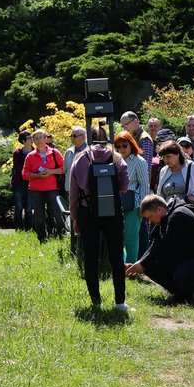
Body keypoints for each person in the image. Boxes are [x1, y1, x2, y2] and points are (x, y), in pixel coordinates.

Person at [69, 126, 131, 312]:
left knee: (90, 256)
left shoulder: (80, 159)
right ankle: (120, 302)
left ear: (89, 137)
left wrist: (74, 217)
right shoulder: (117, 157)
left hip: (87, 213)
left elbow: (73, 193)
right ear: (107, 138)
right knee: (116, 256)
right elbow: (125, 186)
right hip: (112, 212)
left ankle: (96, 302)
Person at [125, 195, 194, 304]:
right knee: (149, 266)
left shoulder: (178, 215)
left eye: (150, 216)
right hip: (186, 260)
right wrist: (139, 264)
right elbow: (155, 245)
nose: (149, 221)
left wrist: (142, 264)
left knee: (182, 275)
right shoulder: (165, 217)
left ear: (159, 209)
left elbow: (165, 245)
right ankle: (183, 294)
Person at [22, 129, 65, 242]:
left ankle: (61, 236)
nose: (39, 140)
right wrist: (37, 175)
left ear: (46, 139)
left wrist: (51, 172)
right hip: (36, 190)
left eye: (41, 137)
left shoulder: (55, 153)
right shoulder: (30, 156)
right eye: (36, 138)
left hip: (52, 188)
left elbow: (64, 169)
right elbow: (24, 174)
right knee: (39, 216)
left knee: (56, 213)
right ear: (33, 141)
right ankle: (42, 239)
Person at [115, 131, 151, 262]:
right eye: (118, 146)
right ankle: (122, 264)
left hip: (133, 204)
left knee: (131, 236)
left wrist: (142, 207)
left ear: (131, 144)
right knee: (119, 236)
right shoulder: (115, 160)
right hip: (117, 203)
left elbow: (144, 185)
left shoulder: (139, 161)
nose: (121, 149)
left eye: (124, 145)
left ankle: (131, 266)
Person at [10, 130, 33, 231]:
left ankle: (29, 229)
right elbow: (18, 168)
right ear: (23, 141)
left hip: (30, 182)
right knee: (18, 206)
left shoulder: (35, 151)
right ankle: (18, 229)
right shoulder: (17, 153)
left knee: (28, 207)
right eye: (29, 138)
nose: (32, 140)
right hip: (18, 182)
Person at [63, 126, 88, 198]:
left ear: (83, 137)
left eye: (74, 136)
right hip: (70, 190)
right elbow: (65, 170)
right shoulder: (69, 152)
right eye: (71, 136)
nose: (72, 138)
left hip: (85, 191)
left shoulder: (90, 151)